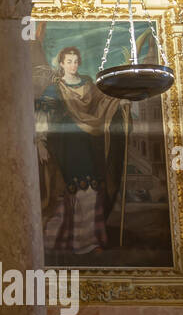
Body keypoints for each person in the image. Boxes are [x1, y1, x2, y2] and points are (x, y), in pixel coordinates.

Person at [36, 46, 129, 255]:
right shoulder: (54, 89)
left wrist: (120, 103)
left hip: (89, 144)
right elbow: (43, 118)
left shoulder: (88, 85)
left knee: (92, 187)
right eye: (68, 61)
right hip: (64, 146)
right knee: (71, 188)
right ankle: (64, 241)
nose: (73, 65)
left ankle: (90, 242)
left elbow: (105, 102)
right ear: (61, 64)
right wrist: (40, 142)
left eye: (75, 61)